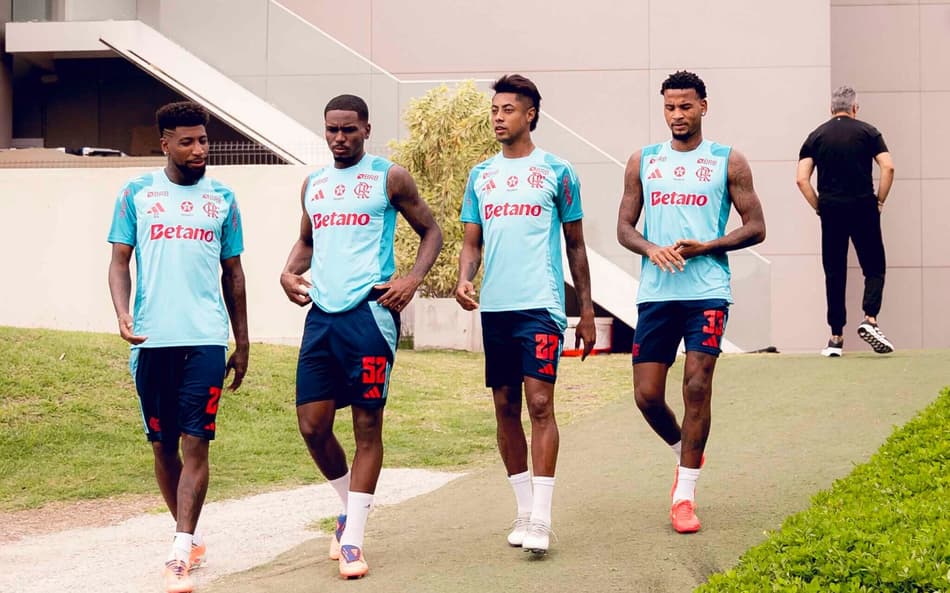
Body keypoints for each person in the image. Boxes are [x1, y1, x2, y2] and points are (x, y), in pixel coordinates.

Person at [279, 94, 442, 579]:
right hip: (322, 318)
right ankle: (349, 505)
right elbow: (308, 241)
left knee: (368, 427)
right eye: (332, 129)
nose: (339, 138)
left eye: (349, 130)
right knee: (312, 425)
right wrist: (288, 272)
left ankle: (353, 541)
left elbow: (430, 230)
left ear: (367, 129)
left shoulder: (388, 176)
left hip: (370, 317)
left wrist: (411, 279)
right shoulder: (314, 183)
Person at [107, 101, 248, 593]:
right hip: (151, 340)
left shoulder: (224, 198)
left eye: (203, 140)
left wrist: (243, 340)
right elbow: (120, 262)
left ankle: (180, 549)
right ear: (164, 142)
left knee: (196, 442)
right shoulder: (136, 194)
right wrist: (123, 313)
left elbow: (234, 273)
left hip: (205, 340)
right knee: (163, 446)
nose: (198, 150)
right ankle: (185, 535)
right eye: (186, 141)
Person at [616, 70, 766, 534]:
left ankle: (684, 494)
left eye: (686, 106)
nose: (677, 115)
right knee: (646, 397)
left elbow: (756, 226)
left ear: (704, 106)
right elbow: (624, 228)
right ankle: (688, 451)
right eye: (669, 107)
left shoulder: (728, 160)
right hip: (656, 294)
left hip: (707, 292)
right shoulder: (643, 161)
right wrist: (650, 248)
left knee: (697, 387)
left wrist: (708, 246)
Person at [455, 74, 596, 555]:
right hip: (496, 308)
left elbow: (576, 246)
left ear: (530, 114)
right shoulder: (481, 175)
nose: (499, 117)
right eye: (495, 110)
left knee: (540, 404)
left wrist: (587, 313)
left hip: (542, 306)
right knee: (504, 407)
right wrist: (464, 279)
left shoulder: (558, 172)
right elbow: (471, 242)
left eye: (508, 109)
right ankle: (521, 509)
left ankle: (542, 518)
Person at [796, 85, 896, 357]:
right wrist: (880, 201)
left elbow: (801, 179)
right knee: (874, 266)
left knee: (834, 272)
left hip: (831, 210)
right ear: (855, 108)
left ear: (831, 110)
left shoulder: (815, 136)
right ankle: (870, 319)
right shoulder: (868, 132)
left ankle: (835, 338)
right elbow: (888, 166)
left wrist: (820, 206)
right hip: (863, 206)